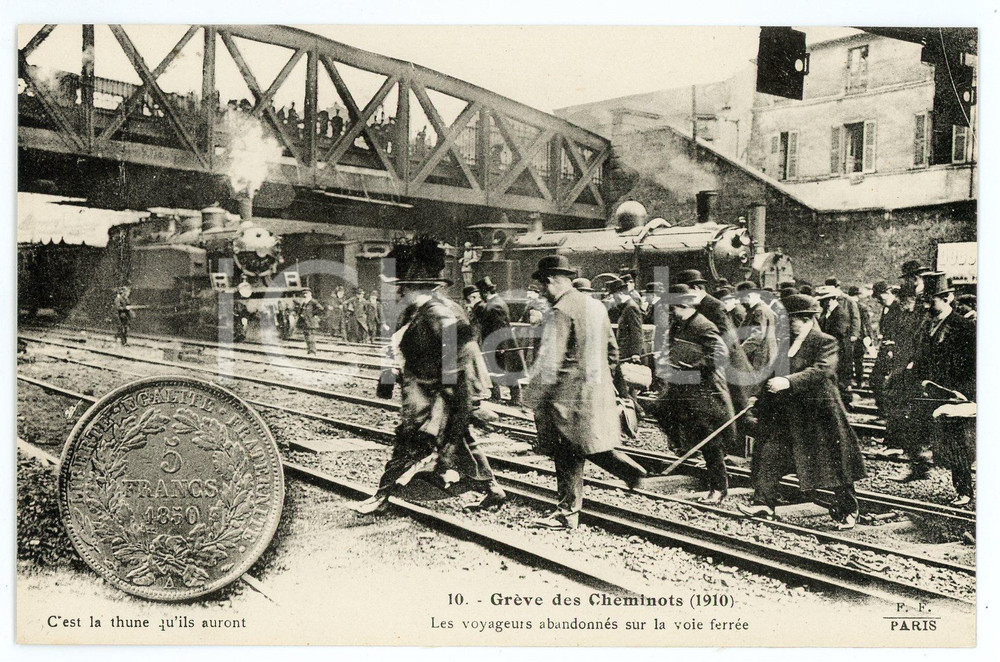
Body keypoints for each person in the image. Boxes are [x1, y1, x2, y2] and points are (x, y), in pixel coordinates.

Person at [356, 238, 506, 514]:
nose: (398, 292)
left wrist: (444, 407)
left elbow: (454, 363)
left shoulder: (438, 313)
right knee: (462, 442)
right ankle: (492, 488)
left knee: (409, 443)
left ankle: (382, 496)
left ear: (414, 287)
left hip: (434, 394)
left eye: (402, 287)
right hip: (428, 390)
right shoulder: (420, 311)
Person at [525, 255, 648, 529]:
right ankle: (629, 471)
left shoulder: (560, 311)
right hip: (596, 389)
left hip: (566, 395)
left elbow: (549, 361)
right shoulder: (596, 307)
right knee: (583, 443)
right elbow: (613, 352)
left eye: (543, 287)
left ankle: (567, 514)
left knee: (566, 451)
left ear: (552, 282)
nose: (542, 293)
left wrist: (532, 397)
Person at [738, 294, 867, 529]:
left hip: (819, 413)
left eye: (791, 320)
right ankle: (763, 503)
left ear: (806, 319)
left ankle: (849, 510)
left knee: (832, 463)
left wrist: (788, 382)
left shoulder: (824, 341)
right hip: (791, 413)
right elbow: (772, 371)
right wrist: (756, 395)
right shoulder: (787, 342)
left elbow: (821, 370)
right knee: (770, 452)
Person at [651, 284, 734, 504]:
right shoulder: (680, 324)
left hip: (704, 391)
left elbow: (720, 354)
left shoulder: (702, 325)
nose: (671, 312)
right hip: (684, 387)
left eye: (673, 308)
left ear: (684, 306)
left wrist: (691, 366)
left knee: (710, 439)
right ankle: (683, 447)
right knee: (660, 409)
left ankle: (719, 488)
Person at [909, 273, 976, 506]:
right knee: (919, 429)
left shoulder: (964, 327)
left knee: (957, 442)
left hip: (957, 393)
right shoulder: (927, 324)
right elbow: (920, 357)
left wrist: (965, 394)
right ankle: (920, 466)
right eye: (924, 300)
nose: (926, 305)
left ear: (948, 297)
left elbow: (975, 364)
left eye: (932, 300)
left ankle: (964, 490)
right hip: (931, 390)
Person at [672, 270, 754, 447]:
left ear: (695, 288)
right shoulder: (694, 306)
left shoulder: (714, 305)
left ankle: (737, 452)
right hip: (709, 362)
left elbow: (727, 338)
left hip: (729, 363)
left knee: (734, 408)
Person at [476, 277, 527, 407]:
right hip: (499, 343)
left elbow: (500, 327)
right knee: (502, 369)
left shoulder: (494, 305)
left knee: (506, 369)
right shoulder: (496, 303)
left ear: (484, 292)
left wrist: (500, 346)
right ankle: (501, 396)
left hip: (499, 343)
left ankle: (514, 398)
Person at [816, 285, 854, 401]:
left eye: (825, 300)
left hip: (840, 350)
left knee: (841, 378)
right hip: (831, 350)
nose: (823, 303)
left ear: (832, 299)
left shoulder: (840, 314)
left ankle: (846, 403)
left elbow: (839, 334)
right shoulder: (826, 313)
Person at [736, 281, 778, 379]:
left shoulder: (759, 311)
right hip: (765, 355)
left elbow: (757, 336)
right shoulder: (762, 308)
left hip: (759, 358)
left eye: (741, 297)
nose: (740, 302)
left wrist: (740, 353)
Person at [846, 285, 874, 385]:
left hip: (848, 335)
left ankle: (848, 381)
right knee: (858, 360)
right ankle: (859, 380)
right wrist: (870, 337)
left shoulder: (845, 306)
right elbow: (867, 324)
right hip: (860, 336)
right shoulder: (862, 307)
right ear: (858, 295)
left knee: (847, 358)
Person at [297, 289, 324, 355]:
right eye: (304, 294)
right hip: (305, 323)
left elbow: (321, 309)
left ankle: (313, 351)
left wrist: (313, 314)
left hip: (311, 322)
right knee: (306, 337)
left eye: (306, 293)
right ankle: (309, 350)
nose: (305, 295)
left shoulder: (313, 302)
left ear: (310, 294)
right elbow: (301, 311)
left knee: (311, 337)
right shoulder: (304, 303)